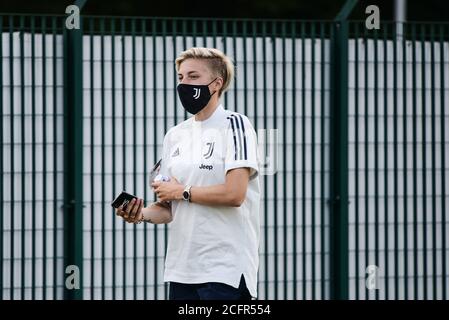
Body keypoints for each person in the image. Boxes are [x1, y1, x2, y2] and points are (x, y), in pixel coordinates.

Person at [116, 47, 260, 300]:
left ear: (217, 83)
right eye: (181, 77)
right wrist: (140, 214)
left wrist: (182, 192)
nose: (184, 83)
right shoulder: (175, 135)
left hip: (225, 271)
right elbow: (168, 208)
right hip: (181, 270)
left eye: (193, 76)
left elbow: (235, 194)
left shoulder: (236, 124)